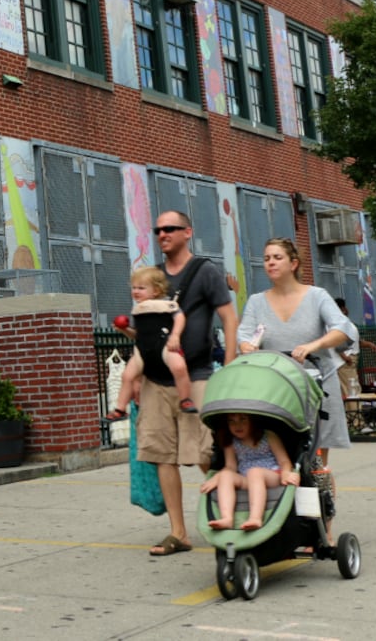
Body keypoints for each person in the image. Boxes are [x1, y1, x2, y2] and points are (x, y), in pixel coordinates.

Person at [140, 211, 237, 557]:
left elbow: (228, 317)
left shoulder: (205, 271)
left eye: (170, 229)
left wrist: (228, 368)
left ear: (187, 232)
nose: (162, 234)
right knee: (162, 454)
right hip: (156, 377)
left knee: (204, 450)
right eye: (158, 229)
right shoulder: (153, 276)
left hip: (195, 373)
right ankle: (178, 533)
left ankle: (232, 514)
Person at [236, 238, 357, 467]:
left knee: (317, 460)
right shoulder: (256, 301)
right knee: (280, 456)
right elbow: (244, 334)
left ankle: (322, 498)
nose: (271, 262)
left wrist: (314, 345)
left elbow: (343, 329)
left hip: (317, 383)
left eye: (277, 257)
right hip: (278, 386)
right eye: (267, 258)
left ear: (293, 264)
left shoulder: (316, 296)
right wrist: (245, 346)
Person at [105, 266, 195, 420]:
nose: (136, 291)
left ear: (156, 291)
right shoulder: (138, 310)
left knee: (179, 367)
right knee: (127, 376)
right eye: (134, 288)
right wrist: (125, 329)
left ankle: (185, 399)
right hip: (143, 349)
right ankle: (120, 409)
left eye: (141, 288)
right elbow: (138, 335)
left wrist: (175, 336)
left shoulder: (167, 304)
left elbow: (180, 318)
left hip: (164, 344)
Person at [200, 413, 298, 531]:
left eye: (243, 420)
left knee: (255, 472)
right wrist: (218, 477)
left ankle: (255, 518)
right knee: (226, 475)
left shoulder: (268, 436)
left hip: (272, 475)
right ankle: (227, 518)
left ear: (253, 421)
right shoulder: (231, 441)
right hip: (247, 478)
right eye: (232, 421)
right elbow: (231, 466)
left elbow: (284, 461)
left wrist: (286, 473)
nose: (238, 425)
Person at [334, 297, 360, 413]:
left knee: (350, 390)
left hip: (347, 359)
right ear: (343, 309)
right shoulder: (339, 322)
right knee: (352, 391)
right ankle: (355, 420)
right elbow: (337, 342)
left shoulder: (341, 321)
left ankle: (353, 419)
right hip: (345, 361)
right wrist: (345, 358)